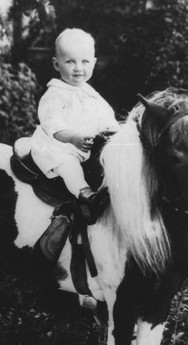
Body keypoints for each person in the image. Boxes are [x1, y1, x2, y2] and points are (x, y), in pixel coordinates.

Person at [31, 28, 119, 224]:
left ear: (94, 63)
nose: (78, 68)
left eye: (85, 61)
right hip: (55, 148)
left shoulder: (90, 93)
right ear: (56, 64)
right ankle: (85, 193)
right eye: (70, 61)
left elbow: (107, 118)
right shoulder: (55, 94)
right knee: (69, 166)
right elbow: (53, 124)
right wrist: (72, 137)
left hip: (82, 148)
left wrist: (116, 133)